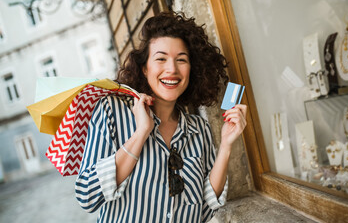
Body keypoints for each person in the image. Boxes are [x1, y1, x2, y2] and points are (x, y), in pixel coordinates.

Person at [75, 11, 247, 223]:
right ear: (145, 68)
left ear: (192, 70)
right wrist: (141, 133)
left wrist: (226, 145)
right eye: (161, 59)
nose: (172, 69)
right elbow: (87, 196)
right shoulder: (111, 110)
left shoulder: (199, 129)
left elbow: (205, 207)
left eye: (181, 60)